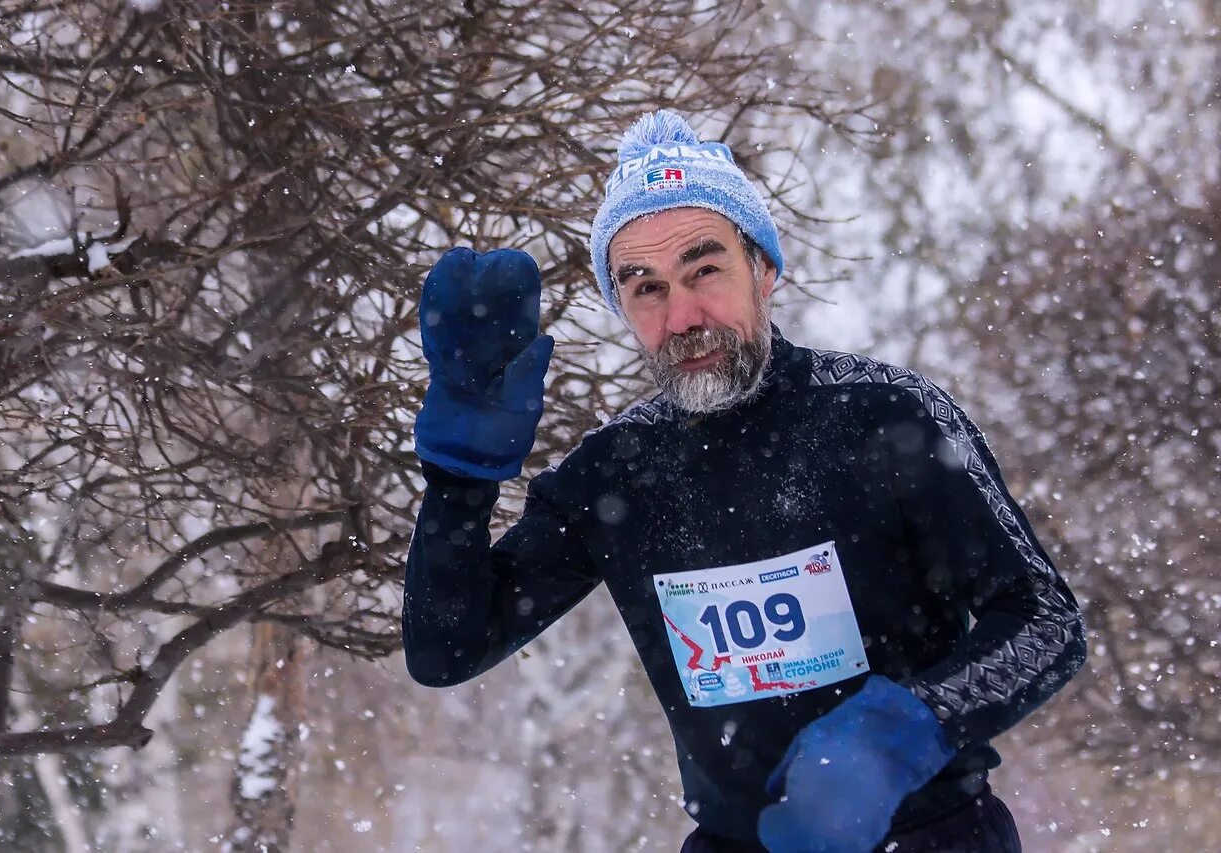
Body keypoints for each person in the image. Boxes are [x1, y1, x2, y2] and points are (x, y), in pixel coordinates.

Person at [402, 110, 1087, 853]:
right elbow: (447, 649)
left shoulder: (885, 415)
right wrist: (459, 478)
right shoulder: (616, 472)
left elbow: (1046, 620)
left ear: (764, 269)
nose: (683, 315)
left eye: (705, 270)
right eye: (645, 287)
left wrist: (901, 732)